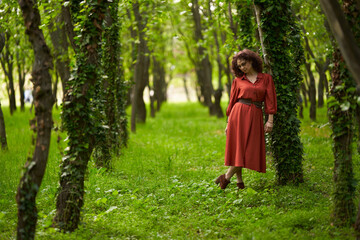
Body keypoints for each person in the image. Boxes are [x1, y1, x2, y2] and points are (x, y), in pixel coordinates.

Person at [215, 49, 277, 190]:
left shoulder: (266, 79)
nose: (242, 67)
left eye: (244, 64)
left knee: (249, 148)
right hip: (238, 114)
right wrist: (228, 122)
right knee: (239, 148)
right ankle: (239, 182)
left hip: (255, 114)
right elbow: (232, 102)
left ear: (251, 61)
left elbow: (270, 100)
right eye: (239, 66)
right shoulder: (238, 81)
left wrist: (270, 120)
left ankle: (225, 177)